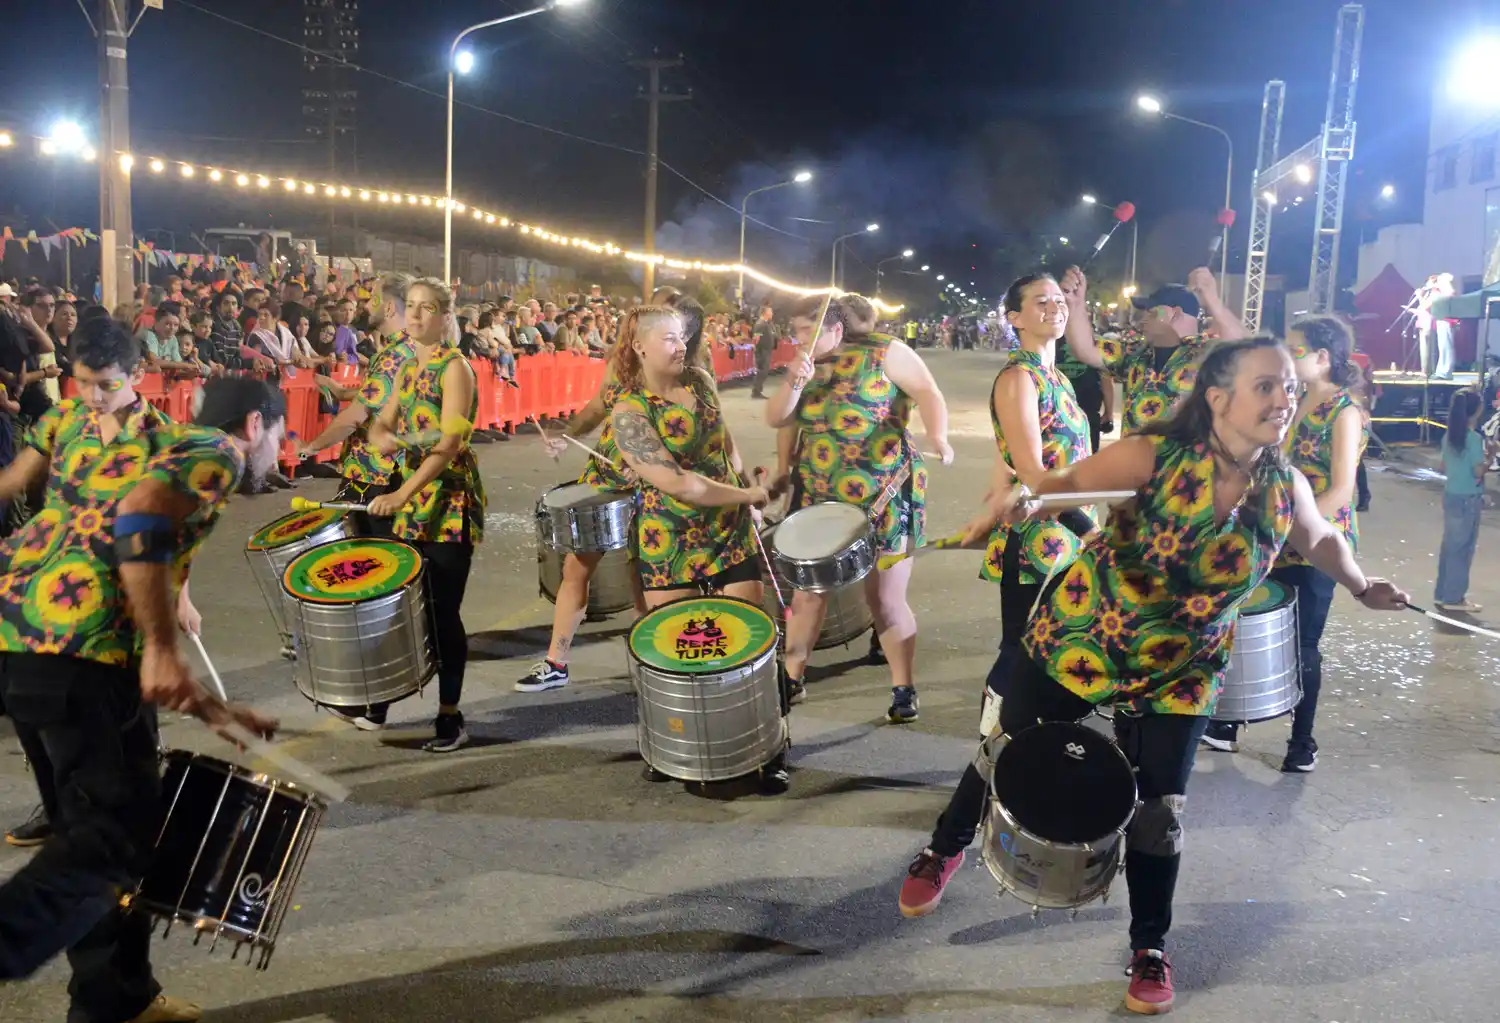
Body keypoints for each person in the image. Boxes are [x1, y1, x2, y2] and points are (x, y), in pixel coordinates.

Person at [895, 336, 1410, 1015]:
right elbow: (1062, 486)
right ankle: (943, 847)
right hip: (1087, 634)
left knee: (1162, 806)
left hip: (1181, 664)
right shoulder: (1151, 454)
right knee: (1004, 743)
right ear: (1218, 397)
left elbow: (1320, 538)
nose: (1285, 398)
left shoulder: (1285, 484)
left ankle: (1149, 946)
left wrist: (1361, 583)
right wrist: (1015, 501)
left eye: (1288, 386)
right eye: (1266, 385)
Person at [0, 319, 281, 1023]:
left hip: (53, 642)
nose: (92, 396)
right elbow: (139, 518)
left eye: (106, 383)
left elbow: (148, 536)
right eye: (82, 381)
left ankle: (115, 995)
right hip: (77, 643)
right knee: (109, 839)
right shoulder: (211, 450)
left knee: (105, 833)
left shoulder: (157, 437)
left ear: (135, 376)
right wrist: (161, 647)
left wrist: (204, 696)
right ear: (257, 421)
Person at [508, 300, 728, 694]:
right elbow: (595, 409)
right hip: (608, 476)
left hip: (657, 488)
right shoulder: (621, 369)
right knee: (576, 568)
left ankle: (655, 663)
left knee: (644, 577)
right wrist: (566, 435)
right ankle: (556, 662)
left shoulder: (691, 375)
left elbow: (702, 436)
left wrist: (654, 466)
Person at [765, 294, 952, 722]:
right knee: (809, 592)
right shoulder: (805, 368)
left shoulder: (885, 352)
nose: (797, 339)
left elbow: (927, 391)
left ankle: (903, 687)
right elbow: (781, 420)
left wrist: (938, 436)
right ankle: (793, 677)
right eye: (793, 331)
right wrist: (793, 385)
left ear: (835, 326)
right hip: (820, 494)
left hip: (885, 491)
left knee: (884, 599)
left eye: (804, 330)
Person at [1201, 317, 1370, 770]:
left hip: (1315, 541)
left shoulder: (1344, 413)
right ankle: (1227, 722)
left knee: (1303, 643)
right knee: (1247, 623)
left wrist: (1295, 520)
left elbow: (1341, 491)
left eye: (1296, 350)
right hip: (1272, 534)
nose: (1287, 360)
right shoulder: (1288, 405)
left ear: (1323, 358)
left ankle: (1302, 742)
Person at [961, 274, 1097, 730]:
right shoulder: (1019, 378)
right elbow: (1034, 473)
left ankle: (1023, 746)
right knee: (1018, 650)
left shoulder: (1056, 377)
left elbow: (1012, 466)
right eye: (1041, 301)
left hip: (1066, 539)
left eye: (1059, 300)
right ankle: (987, 757)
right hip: (1038, 539)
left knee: (1049, 651)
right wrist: (1089, 527)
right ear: (1015, 318)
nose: (1054, 307)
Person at [368, 277, 487, 753]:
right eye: (411, 307)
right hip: (414, 496)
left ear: (444, 316)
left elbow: (450, 443)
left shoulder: (454, 368)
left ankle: (450, 715)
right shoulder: (407, 367)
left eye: (427, 308)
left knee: (442, 612)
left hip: (448, 502)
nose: (415, 316)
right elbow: (383, 420)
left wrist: (401, 495)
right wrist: (382, 435)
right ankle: (383, 696)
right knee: (401, 604)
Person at [611, 305, 767, 606]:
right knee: (683, 645)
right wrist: (746, 495)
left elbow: (726, 447)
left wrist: (748, 497)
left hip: (730, 528)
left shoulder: (700, 381)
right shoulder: (629, 411)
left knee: (743, 639)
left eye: (682, 337)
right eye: (670, 339)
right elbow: (680, 484)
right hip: (671, 537)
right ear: (639, 346)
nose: (682, 346)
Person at [1060, 266, 1241, 434]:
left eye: (1151, 313)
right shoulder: (1136, 353)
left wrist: (1212, 300)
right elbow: (1086, 349)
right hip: (1134, 466)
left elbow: (1245, 349)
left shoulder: (1206, 353)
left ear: (1175, 314)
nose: (1142, 320)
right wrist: (1075, 304)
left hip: (1187, 467)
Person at [1433, 388, 1489, 614]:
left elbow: (1443, 467)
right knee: (1462, 549)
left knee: (1449, 548)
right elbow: (1478, 472)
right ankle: (1454, 598)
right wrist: (1491, 457)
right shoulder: (1473, 439)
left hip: (1451, 495)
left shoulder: (1449, 436)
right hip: (1467, 498)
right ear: (1475, 411)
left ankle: (1442, 593)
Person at [749, 303, 778, 399]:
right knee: (762, 371)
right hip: (762, 352)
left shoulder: (767, 324)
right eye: (770, 311)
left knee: (764, 372)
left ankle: (757, 390)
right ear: (765, 312)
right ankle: (756, 392)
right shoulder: (760, 324)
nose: (772, 313)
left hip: (766, 351)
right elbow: (756, 338)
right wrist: (758, 352)